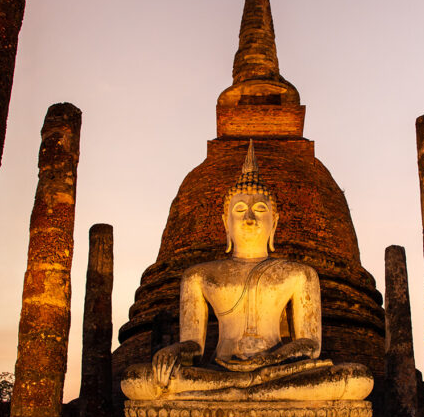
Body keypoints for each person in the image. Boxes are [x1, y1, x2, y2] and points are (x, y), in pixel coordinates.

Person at [121, 142, 371, 402]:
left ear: (274, 223)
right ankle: (247, 390)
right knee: (137, 379)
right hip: (220, 370)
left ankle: (236, 391)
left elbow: (311, 345)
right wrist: (173, 351)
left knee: (356, 378)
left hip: (275, 370)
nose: (249, 218)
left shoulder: (300, 274)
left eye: (260, 210)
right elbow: (194, 348)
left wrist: (270, 359)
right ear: (225, 223)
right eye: (239, 210)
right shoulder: (199, 276)